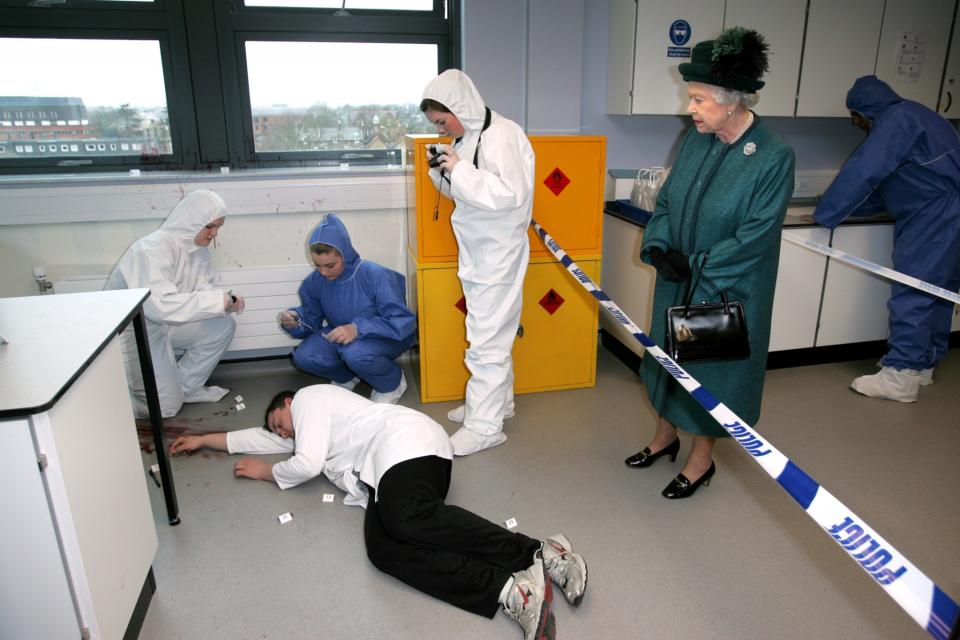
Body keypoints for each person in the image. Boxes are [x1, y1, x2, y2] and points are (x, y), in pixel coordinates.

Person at [168, 385, 588, 640]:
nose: (282, 432)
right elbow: (263, 439)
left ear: (289, 403)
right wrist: (206, 440)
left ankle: (540, 552)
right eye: (280, 432)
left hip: (409, 445)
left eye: (280, 421)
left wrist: (267, 474)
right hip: (385, 473)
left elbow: (306, 462)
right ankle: (511, 592)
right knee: (383, 549)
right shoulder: (304, 429)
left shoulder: (310, 400)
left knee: (405, 517)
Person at [627, 27, 795, 499]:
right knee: (665, 361)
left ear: (733, 101)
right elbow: (667, 200)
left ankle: (702, 461)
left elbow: (756, 239)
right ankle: (664, 438)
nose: (691, 108)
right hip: (676, 278)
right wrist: (659, 247)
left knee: (709, 375)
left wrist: (698, 265)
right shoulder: (696, 139)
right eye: (691, 97)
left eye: (699, 99)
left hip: (725, 289)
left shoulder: (772, 156)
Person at [813, 75, 960, 403]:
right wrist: (844, 210)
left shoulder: (897, 120)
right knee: (939, 291)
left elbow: (863, 172)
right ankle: (922, 365)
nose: (857, 124)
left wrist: (825, 213)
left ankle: (901, 374)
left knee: (913, 290)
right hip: (947, 210)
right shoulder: (923, 116)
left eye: (856, 117)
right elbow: (893, 186)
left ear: (865, 110)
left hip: (934, 215)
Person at [420, 69, 536, 456]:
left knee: (486, 340)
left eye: (441, 121)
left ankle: (485, 426)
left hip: (497, 254)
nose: (440, 130)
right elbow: (465, 192)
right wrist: (440, 170)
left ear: (459, 107)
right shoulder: (469, 137)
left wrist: (458, 168)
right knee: (488, 331)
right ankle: (498, 404)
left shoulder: (503, 134)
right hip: (478, 250)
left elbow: (509, 194)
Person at [105, 189, 243, 418]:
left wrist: (226, 301)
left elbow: (202, 290)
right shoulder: (150, 250)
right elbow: (159, 307)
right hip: (132, 336)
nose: (214, 234)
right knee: (166, 407)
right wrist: (218, 300)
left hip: (161, 326)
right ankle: (112, 403)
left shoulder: (196, 249)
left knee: (223, 324)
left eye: (218, 227)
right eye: (210, 226)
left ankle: (185, 389)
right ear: (191, 220)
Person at [278, 214, 414, 404]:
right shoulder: (315, 281)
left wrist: (357, 328)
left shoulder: (374, 275)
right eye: (317, 266)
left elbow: (402, 321)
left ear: (345, 255)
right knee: (304, 356)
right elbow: (311, 320)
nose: (323, 272)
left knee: (354, 353)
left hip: (386, 335)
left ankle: (392, 383)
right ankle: (348, 376)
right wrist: (295, 319)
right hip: (344, 335)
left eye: (330, 265)